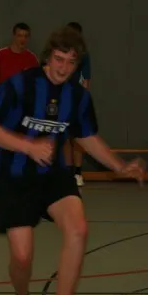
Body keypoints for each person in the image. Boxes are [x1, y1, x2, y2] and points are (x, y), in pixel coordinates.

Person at [0, 26, 145, 295]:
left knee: (78, 228)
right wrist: (29, 147)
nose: (63, 67)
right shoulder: (19, 85)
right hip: (16, 177)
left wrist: (120, 166)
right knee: (22, 257)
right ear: (47, 57)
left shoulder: (78, 97)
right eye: (58, 59)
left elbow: (87, 137)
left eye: (70, 62)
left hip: (54, 174)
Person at [63, 22, 92, 187]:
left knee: (78, 138)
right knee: (65, 138)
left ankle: (78, 172)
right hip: (63, 100)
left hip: (77, 100)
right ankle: (67, 172)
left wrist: (83, 102)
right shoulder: (60, 54)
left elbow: (86, 80)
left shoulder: (84, 56)